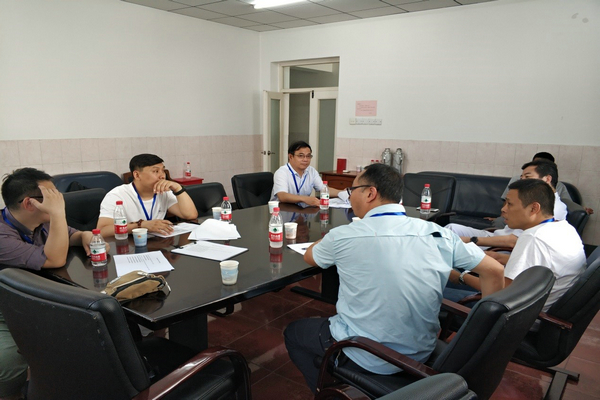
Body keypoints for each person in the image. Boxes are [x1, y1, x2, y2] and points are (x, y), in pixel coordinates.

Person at [284, 164, 505, 393]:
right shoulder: (437, 233)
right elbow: (495, 271)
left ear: (370, 193)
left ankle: (329, 393)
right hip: (422, 351)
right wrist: (482, 334)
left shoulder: (345, 235)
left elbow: (311, 257)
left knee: (294, 333)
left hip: (367, 354)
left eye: (352, 191)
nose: (350, 197)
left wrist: (333, 235)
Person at [0, 168, 96, 400]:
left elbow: (71, 235)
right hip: (4, 305)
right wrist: (58, 213)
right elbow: (55, 259)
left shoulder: (41, 221)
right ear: (29, 203)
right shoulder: (3, 234)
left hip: (35, 296)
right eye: (52, 196)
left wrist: (84, 236)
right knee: (9, 363)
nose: (58, 200)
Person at [447, 179, 586, 312]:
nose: (503, 209)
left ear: (534, 208)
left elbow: (502, 293)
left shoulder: (533, 237)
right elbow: (538, 265)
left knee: (437, 283)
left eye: (510, 204)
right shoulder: (564, 228)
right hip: (533, 302)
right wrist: (494, 256)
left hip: (513, 313)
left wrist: (460, 277)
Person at [446, 160, 568, 250]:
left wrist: (471, 240)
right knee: (451, 229)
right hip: (496, 235)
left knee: (449, 243)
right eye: (521, 177)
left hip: (501, 246)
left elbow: (514, 241)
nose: (522, 181)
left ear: (547, 179)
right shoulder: (534, 200)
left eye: (527, 177)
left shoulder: (554, 208)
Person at [97, 154, 198, 238]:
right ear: (137, 175)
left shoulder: (164, 192)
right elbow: (102, 230)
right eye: (156, 171)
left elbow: (190, 215)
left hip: (158, 243)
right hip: (129, 245)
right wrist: (141, 225)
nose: (162, 176)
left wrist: (178, 188)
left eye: (163, 170)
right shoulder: (116, 195)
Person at [271, 141, 348, 207]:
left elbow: (324, 189)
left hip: (302, 211)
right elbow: (282, 196)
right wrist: (305, 199)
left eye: (308, 156)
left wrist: (342, 193)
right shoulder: (282, 172)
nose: (305, 159)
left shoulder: (311, 171)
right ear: (290, 157)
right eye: (301, 156)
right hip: (282, 210)